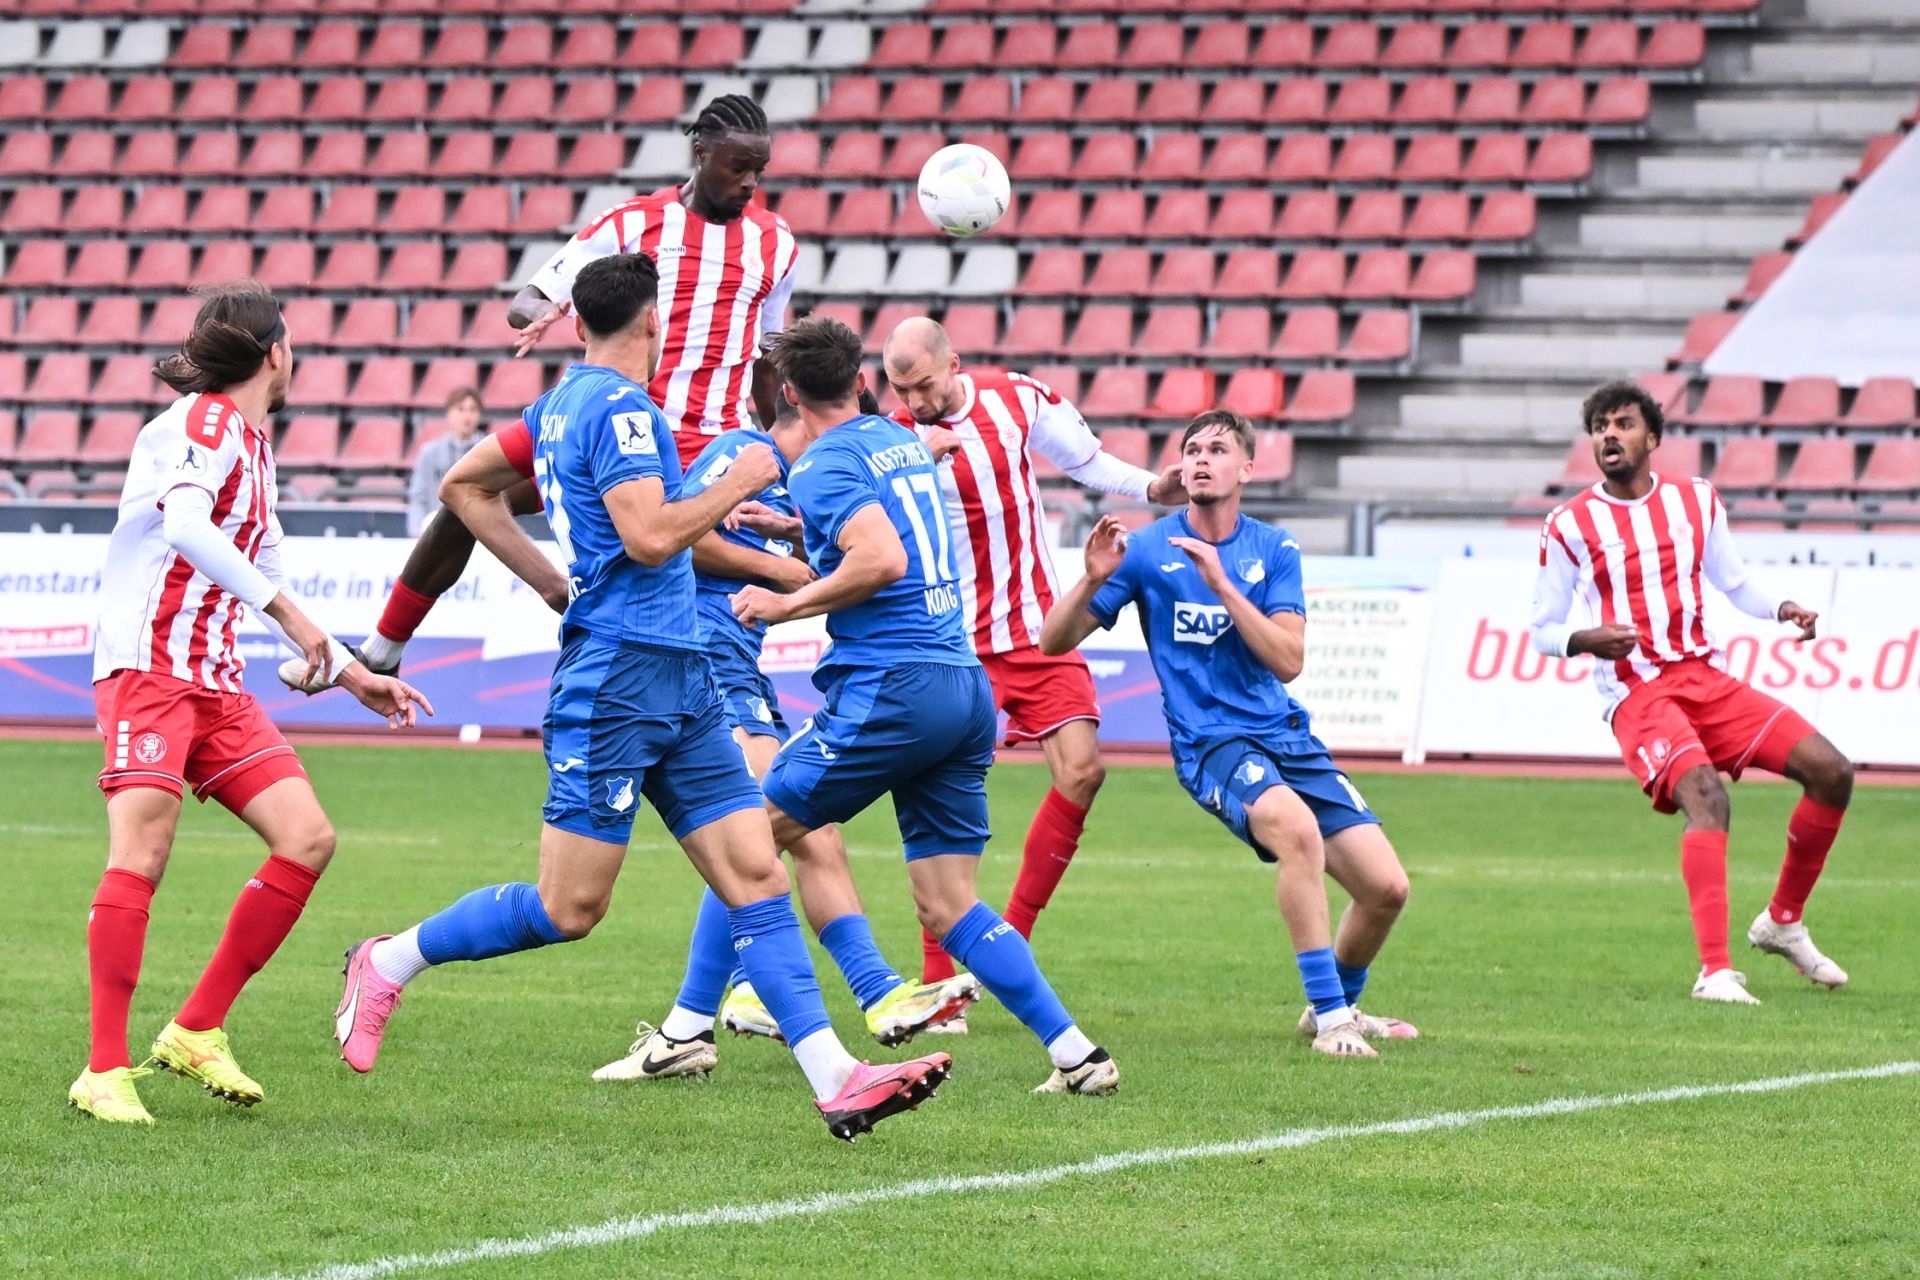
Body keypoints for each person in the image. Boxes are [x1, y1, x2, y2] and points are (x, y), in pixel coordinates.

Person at [330, 255, 951, 1142]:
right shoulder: (623, 409)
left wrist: (554, 582)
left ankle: (838, 1078)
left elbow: (462, 487)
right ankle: (387, 960)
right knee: (569, 908)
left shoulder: (556, 406)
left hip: (681, 673)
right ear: (653, 321)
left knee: (756, 872)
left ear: (580, 321)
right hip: (618, 680)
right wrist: (740, 481)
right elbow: (652, 538)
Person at [282, 94, 797, 693]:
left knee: (677, 561)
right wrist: (547, 310)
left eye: (759, 170)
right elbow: (526, 301)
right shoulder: (630, 225)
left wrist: (781, 446)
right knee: (467, 497)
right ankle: (383, 650)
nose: (750, 183)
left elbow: (768, 355)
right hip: (601, 417)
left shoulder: (775, 243)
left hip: (703, 442)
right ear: (700, 153)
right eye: (738, 167)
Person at [723, 316, 1117, 1096]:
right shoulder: (900, 443)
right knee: (946, 902)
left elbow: (880, 558)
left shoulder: (824, 461)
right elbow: (874, 534)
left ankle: (723, 1004)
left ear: (791, 394)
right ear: (861, 381)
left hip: (893, 687)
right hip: (961, 685)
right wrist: (794, 530)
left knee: (744, 837)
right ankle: (1077, 1054)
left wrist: (783, 603)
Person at [73, 284, 432, 1125]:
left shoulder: (253, 445)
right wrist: (293, 620)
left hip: (214, 678)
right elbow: (187, 525)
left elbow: (265, 574)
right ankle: (103, 1069)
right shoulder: (204, 423)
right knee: (142, 853)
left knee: (307, 838)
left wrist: (348, 672)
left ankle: (196, 1028)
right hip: (149, 667)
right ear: (276, 352)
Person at [591, 378, 981, 1083]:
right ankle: (750, 1004)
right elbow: (679, 535)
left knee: (794, 826)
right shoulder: (743, 450)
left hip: (740, 663)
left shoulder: (814, 474)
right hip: (705, 652)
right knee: (770, 826)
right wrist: (782, 571)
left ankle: (773, 1000)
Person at [1039, 411, 1418, 1059]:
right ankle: (1334, 1021)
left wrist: (1222, 585)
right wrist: (1093, 579)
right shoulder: (1148, 550)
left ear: (1246, 468)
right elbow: (1054, 641)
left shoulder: (1275, 550)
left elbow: (1288, 661)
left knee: (1386, 890)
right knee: (1298, 834)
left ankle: (1333, 1004)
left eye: (1217, 449)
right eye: (1191, 449)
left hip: (1285, 736)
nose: (1200, 459)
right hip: (1210, 744)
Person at [882, 317, 1185, 1013]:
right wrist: (915, 461)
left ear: (953, 363)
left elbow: (1087, 462)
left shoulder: (1017, 398)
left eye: (923, 385)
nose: (915, 401)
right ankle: (939, 981)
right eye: (901, 390)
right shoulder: (895, 439)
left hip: (1035, 631)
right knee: (939, 799)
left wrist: (1153, 489)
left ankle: (1007, 941)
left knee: (1083, 771)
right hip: (951, 642)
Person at [1528, 380, 1853, 1004]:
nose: (1609, 435)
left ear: (1652, 437)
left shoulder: (1696, 500)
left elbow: (1735, 581)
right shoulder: (1568, 524)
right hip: (1638, 692)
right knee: (1707, 797)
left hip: (1708, 678)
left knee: (1832, 773)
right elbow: (1542, 629)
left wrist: (1782, 607)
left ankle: (1783, 922)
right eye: (1599, 427)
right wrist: (1586, 638)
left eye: (1623, 424)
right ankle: (1715, 972)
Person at [405, 386, 486, 536]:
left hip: (477, 533)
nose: (467, 416)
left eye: (473, 410)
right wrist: (416, 530)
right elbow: (418, 496)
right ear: (449, 413)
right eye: (461, 409)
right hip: (436, 531)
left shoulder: (489, 452)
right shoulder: (429, 453)